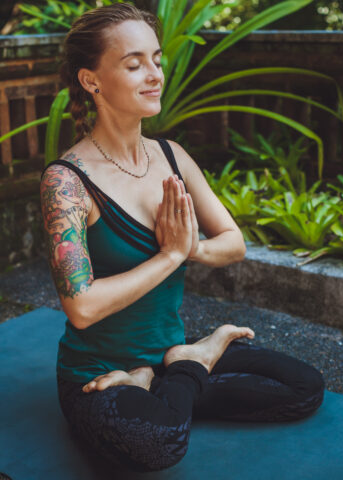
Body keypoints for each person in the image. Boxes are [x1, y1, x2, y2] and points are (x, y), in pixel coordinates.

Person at [40, 2, 325, 473]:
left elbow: (233, 242)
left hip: (166, 355)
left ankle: (174, 369)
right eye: (134, 65)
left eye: (156, 59)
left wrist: (189, 247)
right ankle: (184, 369)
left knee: (304, 388)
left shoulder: (172, 156)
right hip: (97, 376)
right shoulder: (67, 182)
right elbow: (82, 307)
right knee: (160, 444)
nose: (153, 74)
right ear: (92, 81)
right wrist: (171, 254)